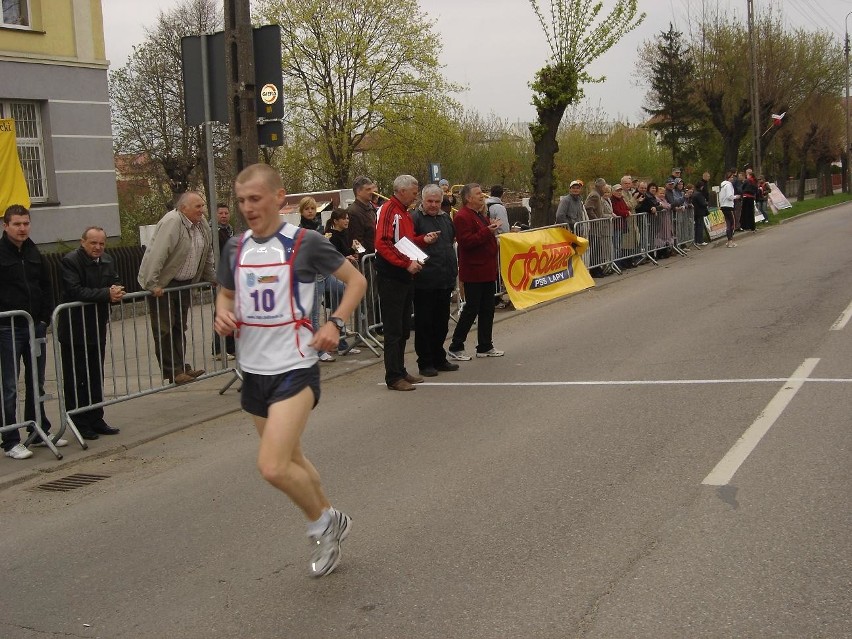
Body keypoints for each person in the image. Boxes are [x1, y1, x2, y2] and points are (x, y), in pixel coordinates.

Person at [214, 163, 366, 578]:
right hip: (254, 373)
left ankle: (323, 523)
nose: (247, 207)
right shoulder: (235, 248)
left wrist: (335, 323)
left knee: (273, 466)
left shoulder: (305, 242)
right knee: (292, 457)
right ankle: (333, 518)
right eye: (242, 200)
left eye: (256, 199)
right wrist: (222, 315)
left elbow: (355, 281)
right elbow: (225, 295)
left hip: (295, 368)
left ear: (279, 198)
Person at [0, 205, 66, 459]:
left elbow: (45, 285)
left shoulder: (33, 251)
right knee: (9, 384)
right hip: (8, 327)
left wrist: (44, 317)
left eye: (26, 223)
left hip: (34, 326)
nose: (22, 228)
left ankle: (37, 428)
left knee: (36, 381)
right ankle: (10, 440)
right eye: (17, 224)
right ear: (6, 226)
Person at [138, 191, 216, 385]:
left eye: (202, 206)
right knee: (164, 328)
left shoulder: (202, 224)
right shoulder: (172, 222)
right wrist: (153, 283)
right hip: (165, 284)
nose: (202, 210)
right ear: (184, 208)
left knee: (179, 326)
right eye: (197, 206)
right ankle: (172, 370)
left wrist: (213, 277)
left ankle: (181, 367)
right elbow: (158, 253)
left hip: (184, 284)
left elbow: (207, 253)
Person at [57, 226, 125, 440]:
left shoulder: (107, 260)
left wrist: (116, 290)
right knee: (77, 377)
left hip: (96, 325)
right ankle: (79, 421)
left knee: (95, 374)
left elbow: (114, 281)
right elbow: (75, 290)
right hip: (74, 328)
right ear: (83, 241)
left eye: (101, 243)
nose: (98, 247)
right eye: (93, 243)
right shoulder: (70, 261)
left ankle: (97, 418)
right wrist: (106, 293)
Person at [374, 175, 440, 391]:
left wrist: (423, 241)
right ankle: (393, 376)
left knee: (403, 328)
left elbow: (405, 243)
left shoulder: (403, 213)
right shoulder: (389, 210)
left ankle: (400, 370)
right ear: (401, 191)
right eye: (413, 191)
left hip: (403, 276)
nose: (415, 194)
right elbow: (383, 243)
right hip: (391, 276)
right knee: (393, 330)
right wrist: (405, 263)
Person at [447, 183, 504, 360]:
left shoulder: (479, 215)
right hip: (474, 271)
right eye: (478, 194)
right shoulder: (462, 217)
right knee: (471, 309)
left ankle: (485, 345)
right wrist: (488, 231)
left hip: (486, 269)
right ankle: (456, 345)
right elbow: (466, 242)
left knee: (488, 309)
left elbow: (483, 235)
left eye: (482, 192)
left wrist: (491, 231)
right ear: (468, 198)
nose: (482, 196)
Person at [411, 184, 460, 377]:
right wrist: (423, 239)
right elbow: (407, 242)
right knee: (425, 323)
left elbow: (450, 241)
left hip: (445, 278)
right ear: (422, 200)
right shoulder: (415, 218)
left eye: (437, 201)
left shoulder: (445, 218)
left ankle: (439, 357)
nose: (433, 205)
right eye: (429, 201)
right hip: (425, 279)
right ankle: (425, 361)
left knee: (441, 322)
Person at [299, 197, 335, 362]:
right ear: (302, 211)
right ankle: (317, 350)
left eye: (313, 209)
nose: (310, 212)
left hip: (321, 273)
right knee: (313, 315)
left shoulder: (319, 227)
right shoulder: (301, 230)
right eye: (307, 209)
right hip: (310, 275)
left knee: (316, 313)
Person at [323, 209, 361, 356]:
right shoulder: (331, 236)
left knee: (340, 309)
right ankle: (340, 341)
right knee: (338, 308)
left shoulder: (345, 234)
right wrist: (347, 255)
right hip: (334, 276)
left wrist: (352, 251)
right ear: (335, 221)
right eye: (343, 219)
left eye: (347, 218)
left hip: (342, 275)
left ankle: (339, 340)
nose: (346, 221)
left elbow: (345, 251)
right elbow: (336, 254)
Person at [212, 204, 235, 360]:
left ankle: (231, 347)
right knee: (220, 312)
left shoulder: (230, 231)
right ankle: (218, 349)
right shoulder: (213, 231)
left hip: (231, 274)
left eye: (226, 213)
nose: (224, 215)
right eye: (220, 213)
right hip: (220, 276)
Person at [583, 178, 615, 277]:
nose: (605, 188)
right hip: (594, 227)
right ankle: (594, 269)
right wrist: (596, 219)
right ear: (601, 186)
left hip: (598, 226)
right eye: (604, 186)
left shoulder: (597, 195)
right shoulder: (594, 195)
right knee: (594, 249)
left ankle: (597, 268)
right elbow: (588, 208)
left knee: (597, 249)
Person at [346, 176, 378, 256]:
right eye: (368, 190)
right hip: (367, 261)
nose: (372, 192)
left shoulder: (371, 209)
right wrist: (364, 255)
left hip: (374, 257)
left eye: (371, 189)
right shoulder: (353, 212)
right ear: (358, 192)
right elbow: (356, 240)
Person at [719, 169, 737, 248]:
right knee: (732, 223)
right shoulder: (729, 185)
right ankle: (730, 241)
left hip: (723, 206)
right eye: (731, 177)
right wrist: (736, 196)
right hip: (729, 206)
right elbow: (729, 197)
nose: (732, 179)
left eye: (733, 177)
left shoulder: (722, 186)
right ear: (728, 178)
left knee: (728, 223)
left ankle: (729, 241)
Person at [740, 168, 758, 232]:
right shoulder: (755, 181)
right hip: (752, 197)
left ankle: (744, 226)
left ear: (749, 175)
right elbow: (756, 189)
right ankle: (752, 226)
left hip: (746, 196)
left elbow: (742, 188)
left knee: (745, 212)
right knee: (751, 212)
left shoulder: (747, 181)